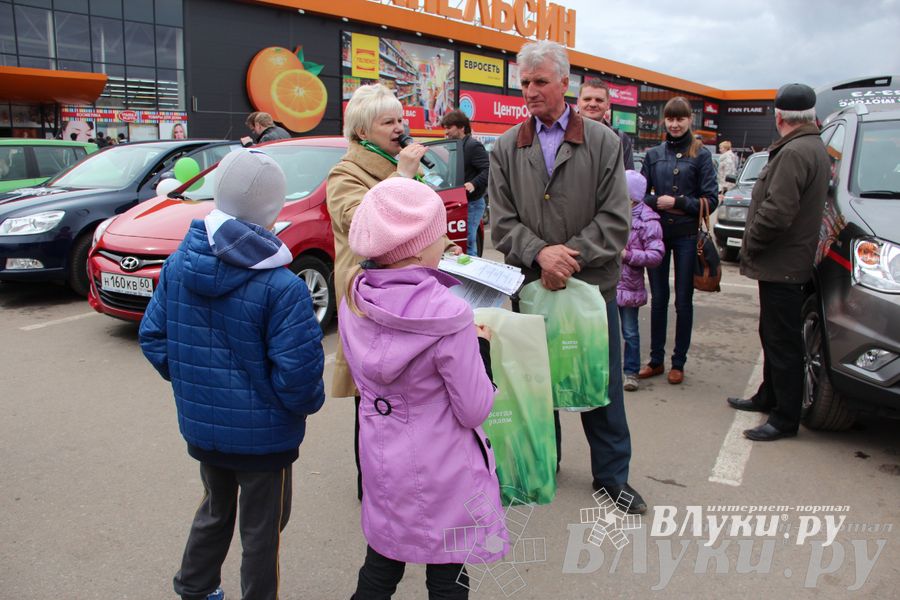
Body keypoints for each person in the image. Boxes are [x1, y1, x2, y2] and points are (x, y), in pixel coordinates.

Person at [138, 148, 326, 600]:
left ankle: (196, 588)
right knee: (264, 531)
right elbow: (299, 378)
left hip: (205, 429)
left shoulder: (179, 264)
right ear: (273, 208)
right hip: (266, 439)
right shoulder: (284, 286)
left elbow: (153, 336)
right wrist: (292, 407)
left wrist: (195, 384)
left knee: (215, 507)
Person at [489, 40, 645, 513]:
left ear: (564, 83)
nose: (531, 91)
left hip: (587, 291)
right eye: (525, 83)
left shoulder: (603, 142)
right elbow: (501, 222)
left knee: (598, 384)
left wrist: (565, 259)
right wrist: (541, 257)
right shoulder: (505, 146)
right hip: (532, 289)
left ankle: (612, 477)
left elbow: (615, 219)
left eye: (540, 82)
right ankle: (545, 462)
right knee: (537, 382)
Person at [340, 177, 507, 599]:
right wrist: (481, 348)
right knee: (449, 573)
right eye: (440, 235)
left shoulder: (354, 296)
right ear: (416, 249)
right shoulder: (449, 313)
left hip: (382, 458)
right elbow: (472, 409)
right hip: (443, 467)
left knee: (381, 562)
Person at [326, 83, 459, 499]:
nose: (400, 128)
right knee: (371, 403)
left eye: (401, 119)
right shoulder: (345, 174)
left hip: (414, 293)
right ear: (363, 132)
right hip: (371, 300)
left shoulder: (401, 166)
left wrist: (456, 255)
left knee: (410, 395)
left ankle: (407, 481)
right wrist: (401, 176)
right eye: (389, 122)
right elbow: (367, 227)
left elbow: (427, 224)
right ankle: (375, 489)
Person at [726, 83, 830, 441]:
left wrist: (750, 243)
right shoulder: (807, 146)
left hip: (782, 262)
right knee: (773, 333)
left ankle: (784, 418)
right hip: (785, 261)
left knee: (783, 341)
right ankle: (769, 396)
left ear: (779, 116)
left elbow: (777, 211)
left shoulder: (795, 152)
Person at [639, 96, 719, 385]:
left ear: (689, 121)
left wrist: (680, 202)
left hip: (687, 236)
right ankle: (656, 360)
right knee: (659, 299)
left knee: (684, 301)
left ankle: (678, 363)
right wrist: (658, 202)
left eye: (680, 119)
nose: (674, 124)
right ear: (665, 121)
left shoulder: (702, 154)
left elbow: (711, 199)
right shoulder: (653, 154)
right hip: (657, 235)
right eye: (670, 119)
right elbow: (640, 194)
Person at [618, 170, 664, 392]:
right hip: (608, 284)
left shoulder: (648, 220)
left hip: (629, 286)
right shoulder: (613, 212)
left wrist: (628, 256)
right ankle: (608, 370)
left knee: (629, 331)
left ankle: (631, 372)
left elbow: (656, 255)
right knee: (604, 331)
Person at [441, 109, 489, 256]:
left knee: (468, 242)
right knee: (462, 242)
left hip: (472, 203)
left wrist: (473, 183)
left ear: (461, 127)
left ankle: (471, 274)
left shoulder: (473, 146)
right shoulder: (455, 147)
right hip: (459, 202)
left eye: (449, 127)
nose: (446, 132)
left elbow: (488, 170)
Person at [577, 80, 635, 169]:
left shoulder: (621, 139)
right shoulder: (562, 131)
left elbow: (626, 178)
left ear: (608, 105)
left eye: (599, 100)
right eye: (587, 99)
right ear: (578, 102)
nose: (592, 104)